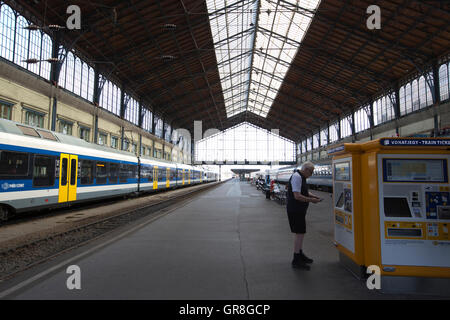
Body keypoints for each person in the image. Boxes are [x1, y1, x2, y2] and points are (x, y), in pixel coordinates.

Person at [286, 161, 322, 270]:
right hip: (295, 210)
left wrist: (314, 196)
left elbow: (304, 192)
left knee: (301, 233)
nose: (311, 174)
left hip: (299, 210)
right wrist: (312, 200)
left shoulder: (301, 177)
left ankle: (300, 254)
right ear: (305, 169)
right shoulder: (297, 177)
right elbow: (297, 196)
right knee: (299, 233)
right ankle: (296, 259)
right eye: (311, 172)